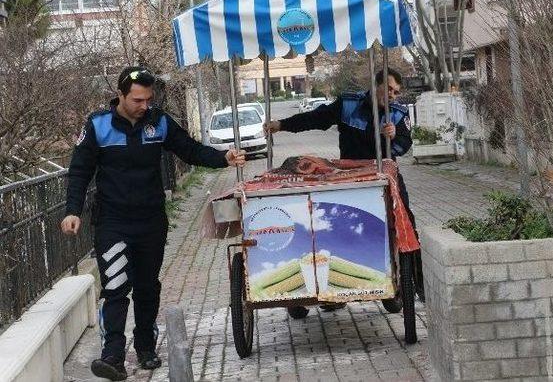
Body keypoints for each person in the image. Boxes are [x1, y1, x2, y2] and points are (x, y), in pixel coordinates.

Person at [61, 66, 245, 381]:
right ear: (120, 95)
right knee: (116, 287)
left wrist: (222, 159)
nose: (144, 105)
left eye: (148, 99)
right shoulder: (97, 126)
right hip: (112, 223)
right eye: (137, 100)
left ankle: (146, 347)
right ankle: (113, 357)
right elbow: (79, 171)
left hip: (150, 221)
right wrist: (72, 210)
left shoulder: (158, 122)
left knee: (147, 287)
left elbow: (189, 149)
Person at [264, 67, 425, 303]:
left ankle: (418, 285)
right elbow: (316, 119)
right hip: (348, 177)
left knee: (406, 221)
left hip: (383, 173)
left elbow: (404, 144)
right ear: (375, 84)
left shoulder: (398, 115)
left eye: (396, 92)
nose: (392, 95)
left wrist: (391, 137)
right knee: (335, 225)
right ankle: (333, 288)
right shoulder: (348, 104)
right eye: (389, 89)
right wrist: (281, 125)